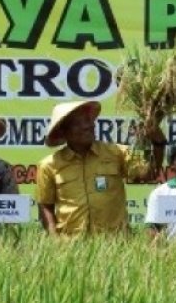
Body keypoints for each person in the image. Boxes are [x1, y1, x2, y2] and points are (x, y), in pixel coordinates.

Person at [36, 100, 166, 236]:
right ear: (63, 131)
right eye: (78, 123)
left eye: (88, 120)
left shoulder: (117, 153)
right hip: (71, 246)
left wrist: (158, 144)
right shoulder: (49, 165)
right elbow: (45, 206)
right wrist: (55, 241)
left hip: (116, 244)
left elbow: (149, 174)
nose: (88, 126)